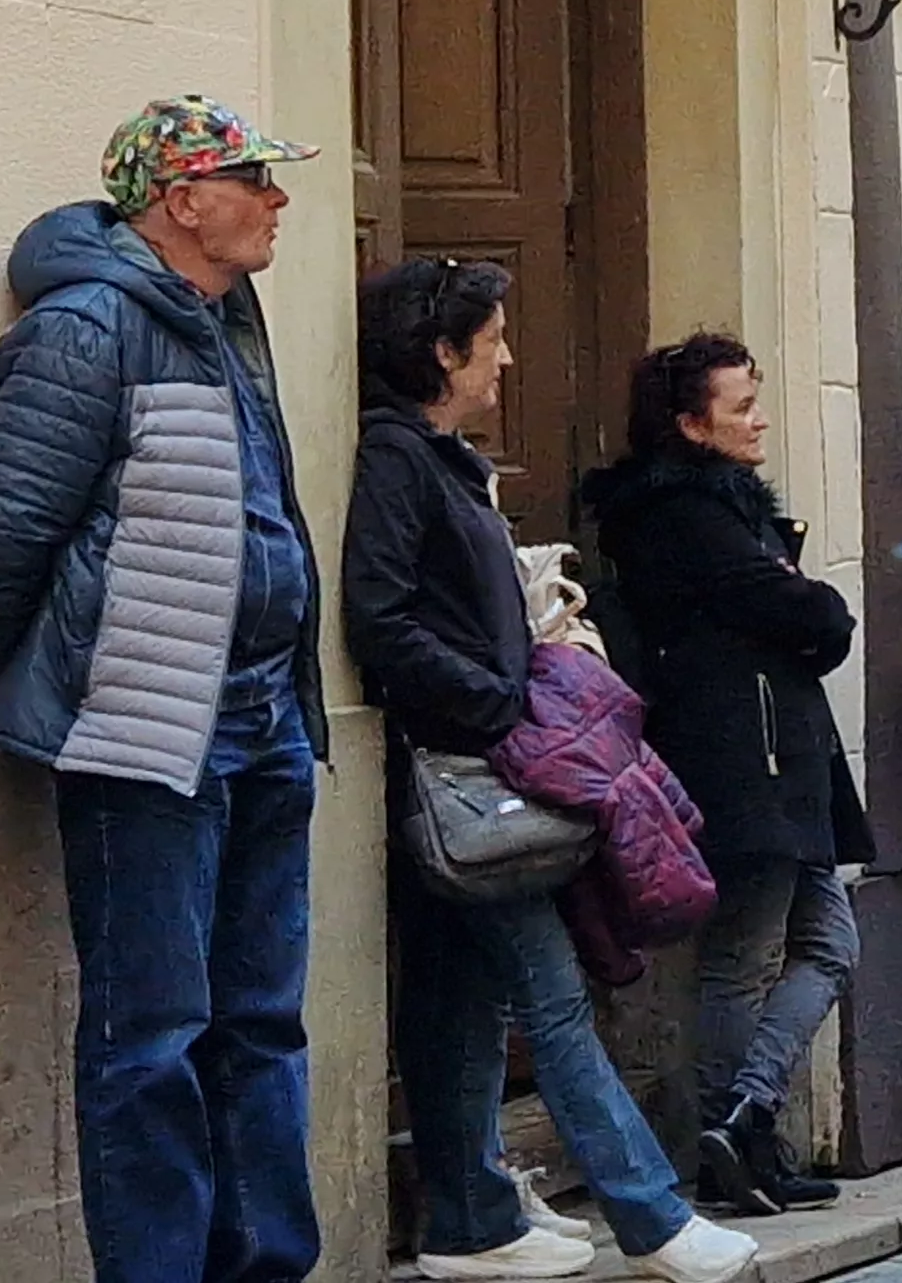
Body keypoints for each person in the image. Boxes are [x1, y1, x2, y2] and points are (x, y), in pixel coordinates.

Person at [0, 97, 329, 1283]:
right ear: (180, 200)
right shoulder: (88, 327)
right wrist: (87, 676)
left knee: (261, 1025)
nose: (278, 199)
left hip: (263, 718)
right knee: (149, 1040)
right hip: (149, 731)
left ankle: (264, 1266)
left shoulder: (230, 323)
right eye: (252, 178)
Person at [350, 260, 756, 1283]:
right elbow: (382, 616)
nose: (508, 357)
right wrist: (497, 703)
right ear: (444, 353)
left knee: (456, 1004)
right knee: (552, 996)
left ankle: (470, 1218)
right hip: (466, 773)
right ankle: (652, 1218)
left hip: (467, 764)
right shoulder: (401, 459)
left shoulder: (443, 458)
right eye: (493, 339)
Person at [584, 334, 863, 1219]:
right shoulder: (683, 516)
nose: (761, 420)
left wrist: (807, 610)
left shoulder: (717, 507)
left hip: (781, 758)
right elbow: (798, 609)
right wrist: (812, 605)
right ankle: (733, 1138)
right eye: (741, 406)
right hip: (746, 762)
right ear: (689, 424)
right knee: (744, 960)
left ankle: (743, 1122)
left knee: (830, 944)